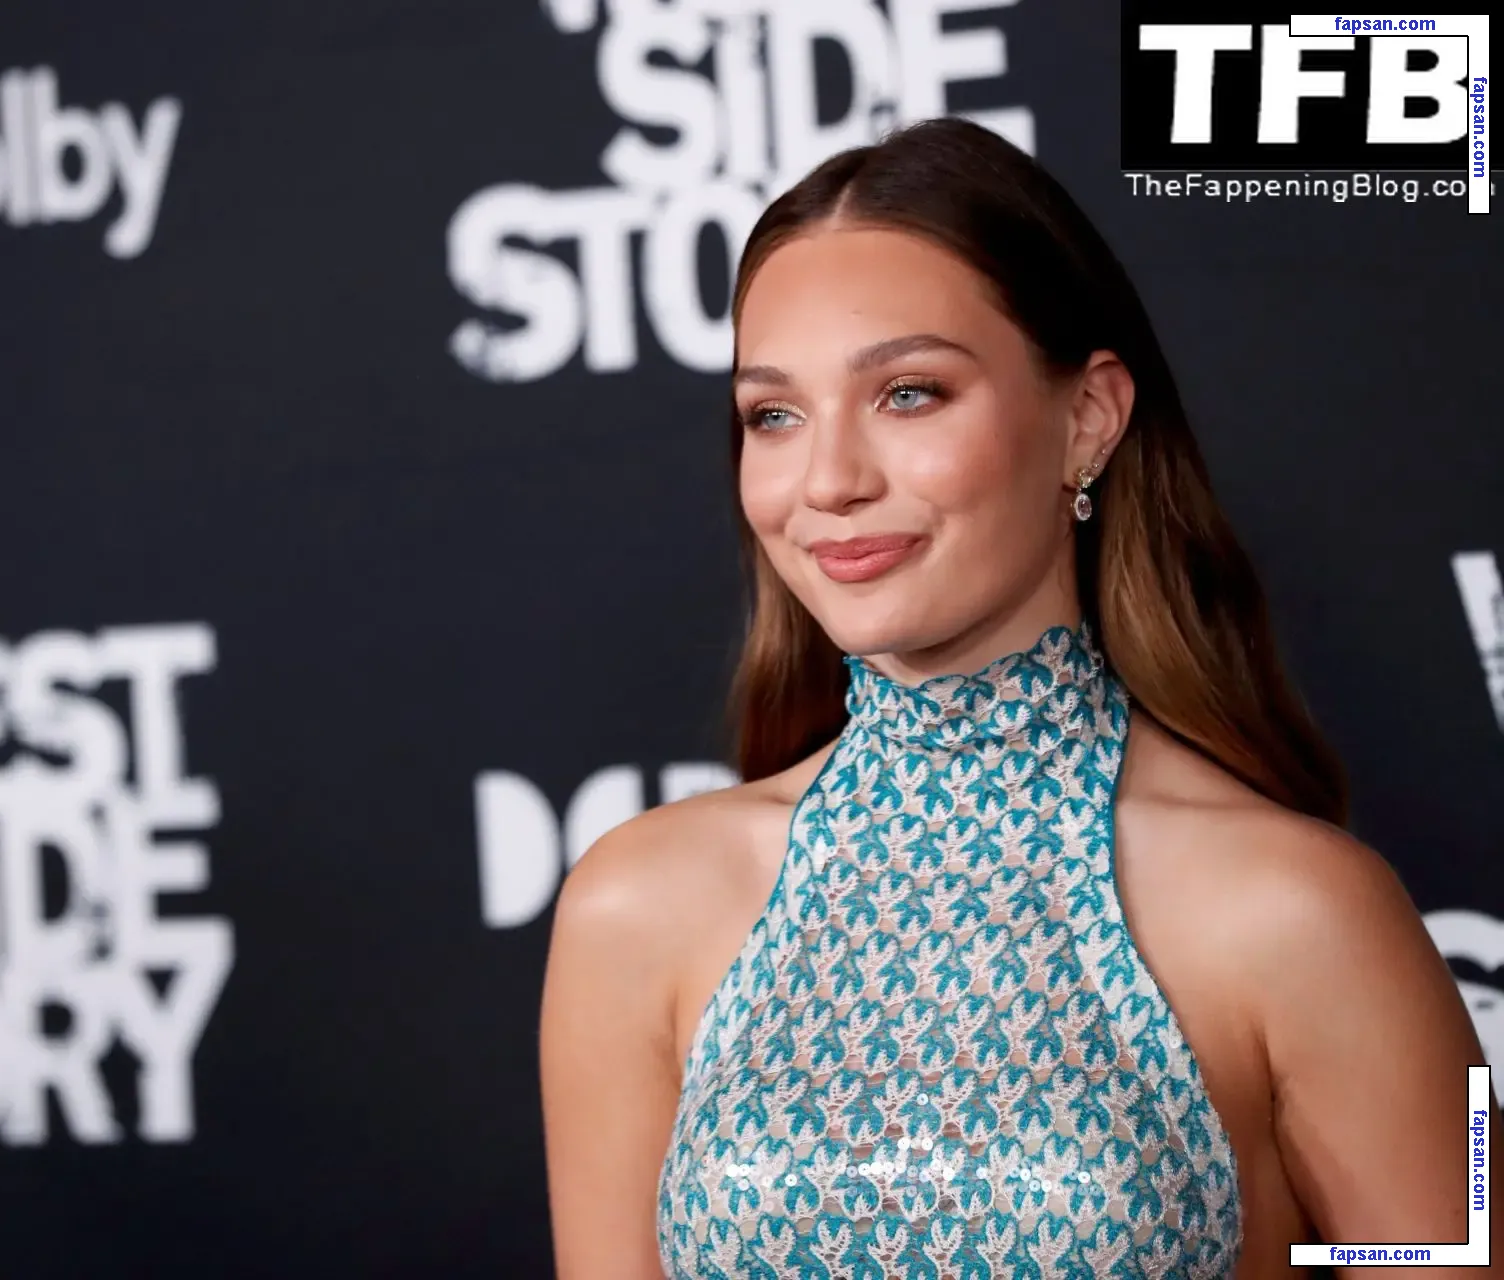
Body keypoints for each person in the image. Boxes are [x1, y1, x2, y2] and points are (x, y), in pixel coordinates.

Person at [537, 118, 1493, 1279]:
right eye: (773, 415)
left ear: (1088, 417)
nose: (829, 480)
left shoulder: (1297, 911)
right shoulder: (637, 904)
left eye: (910, 393)